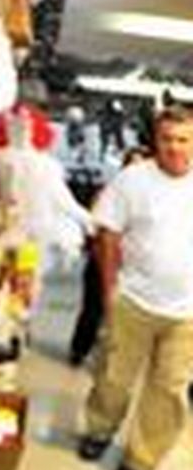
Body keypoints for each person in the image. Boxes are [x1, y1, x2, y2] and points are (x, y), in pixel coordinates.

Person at [78, 107, 193, 470]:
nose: (176, 147)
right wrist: (109, 289)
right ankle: (98, 431)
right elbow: (107, 234)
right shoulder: (133, 180)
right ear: (155, 140)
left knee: (169, 392)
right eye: (168, 139)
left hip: (187, 314)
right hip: (134, 300)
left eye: (184, 139)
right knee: (114, 376)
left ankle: (139, 464)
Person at [68, 145, 150, 367]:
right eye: (132, 164)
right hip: (102, 260)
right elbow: (94, 224)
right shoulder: (109, 192)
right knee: (93, 309)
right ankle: (80, 349)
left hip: (133, 267)